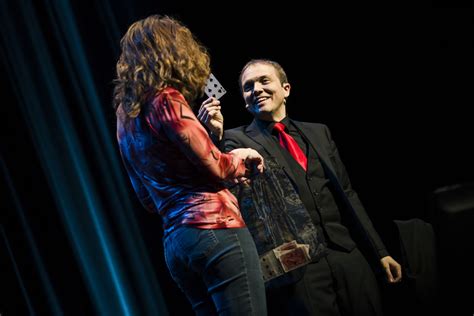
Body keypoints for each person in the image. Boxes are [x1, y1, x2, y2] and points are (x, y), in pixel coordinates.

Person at [199, 59, 402, 315]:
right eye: (248, 87)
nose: (257, 89)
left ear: (286, 89)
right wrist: (213, 136)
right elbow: (225, 174)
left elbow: (347, 195)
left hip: (347, 255)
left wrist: (379, 251)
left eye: (264, 81)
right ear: (244, 100)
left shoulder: (319, 132)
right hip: (300, 268)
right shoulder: (233, 139)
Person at [113, 16, 267, 315]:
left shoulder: (125, 115)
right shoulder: (167, 99)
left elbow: (146, 197)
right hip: (214, 228)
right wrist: (244, 157)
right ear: (173, 50)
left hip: (175, 243)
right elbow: (218, 168)